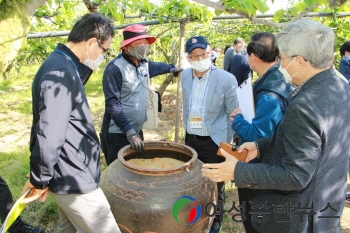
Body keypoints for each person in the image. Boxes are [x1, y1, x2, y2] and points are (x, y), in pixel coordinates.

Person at [202, 19, 350, 233]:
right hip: (324, 209)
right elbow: (310, 143)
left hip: (297, 219)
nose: (280, 64)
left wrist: (238, 171)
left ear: (299, 61)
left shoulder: (306, 106)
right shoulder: (339, 86)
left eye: (284, 58)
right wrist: (261, 146)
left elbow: (295, 176)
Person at [21, 13, 121, 233]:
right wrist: (40, 179)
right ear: (91, 43)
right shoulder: (61, 72)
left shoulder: (62, 63)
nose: (103, 56)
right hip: (74, 178)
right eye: (104, 50)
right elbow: (49, 132)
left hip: (67, 174)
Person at [229, 32, 294, 233]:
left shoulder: (269, 95)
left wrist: (237, 120)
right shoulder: (279, 78)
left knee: (256, 219)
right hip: (272, 167)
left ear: (253, 57)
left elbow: (259, 136)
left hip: (261, 169)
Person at [101, 24, 182, 165]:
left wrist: (173, 68)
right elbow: (113, 104)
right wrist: (129, 132)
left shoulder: (143, 64)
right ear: (126, 47)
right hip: (118, 133)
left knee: (136, 168)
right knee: (118, 172)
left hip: (136, 131)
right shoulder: (115, 68)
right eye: (138, 44)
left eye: (145, 43)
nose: (143, 47)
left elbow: (159, 67)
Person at [182, 36, 239, 233]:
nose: (200, 58)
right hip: (191, 140)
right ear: (188, 58)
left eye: (204, 54)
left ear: (210, 53)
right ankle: (195, 217)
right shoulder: (185, 75)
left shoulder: (226, 79)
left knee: (216, 184)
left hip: (214, 141)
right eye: (195, 56)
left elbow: (233, 113)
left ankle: (215, 221)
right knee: (192, 182)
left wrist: (226, 143)